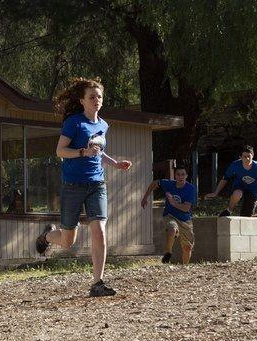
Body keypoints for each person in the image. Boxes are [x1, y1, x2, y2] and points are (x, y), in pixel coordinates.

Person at [34, 77, 132, 297]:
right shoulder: (74, 123)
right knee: (68, 241)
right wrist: (81, 153)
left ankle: (98, 283)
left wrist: (115, 163)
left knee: (99, 232)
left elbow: (98, 150)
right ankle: (47, 236)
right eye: (92, 97)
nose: (96, 100)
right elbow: (60, 151)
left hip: (97, 184)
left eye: (99, 97)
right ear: (82, 100)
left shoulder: (103, 124)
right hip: (73, 186)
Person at [141, 166, 196, 264]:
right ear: (175, 176)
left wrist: (173, 202)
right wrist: (145, 197)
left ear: (186, 176)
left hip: (185, 219)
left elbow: (186, 208)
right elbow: (155, 183)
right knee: (172, 228)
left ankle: (185, 268)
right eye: (178, 174)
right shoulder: (169, 184)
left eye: (183, 174)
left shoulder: (190, 189)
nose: (180, 177)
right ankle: (168, 253)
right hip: (170, 215)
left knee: (187, 247)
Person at [205, 145, 257, 218]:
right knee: (237, 193)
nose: (247, 159)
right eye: (244, 156)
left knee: (246, 216)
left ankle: (254, 213)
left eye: (249, 156)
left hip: (253, 191)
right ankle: (229, 210)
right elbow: (225, 179)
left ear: (252, 156)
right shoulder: (235, 165)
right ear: (240, 157)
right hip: (240, 186)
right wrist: (216, 192)